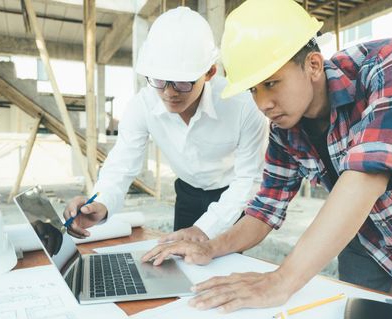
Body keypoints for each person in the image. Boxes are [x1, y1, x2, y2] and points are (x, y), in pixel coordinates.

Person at [142, 0, 392, 312]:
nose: (263, 104)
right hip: (367, 243)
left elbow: (367, 175)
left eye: (271, 83)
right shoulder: (285, 132)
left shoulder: (389, 64)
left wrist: (281, 280)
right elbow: (264, 211)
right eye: (253, 90)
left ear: (313, 65)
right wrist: (210, 247)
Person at [64, 7, 267, 242]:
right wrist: (101, 202)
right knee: (181, 263)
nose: (169, 93)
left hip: (232, 196)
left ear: (209, 72)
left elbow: (248, 180)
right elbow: (121, 165)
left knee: (225, 266)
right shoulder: (142, 105)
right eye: (159, 80)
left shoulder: (243, 106)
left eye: (182, 83)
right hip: (187, 194)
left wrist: (205, 230)